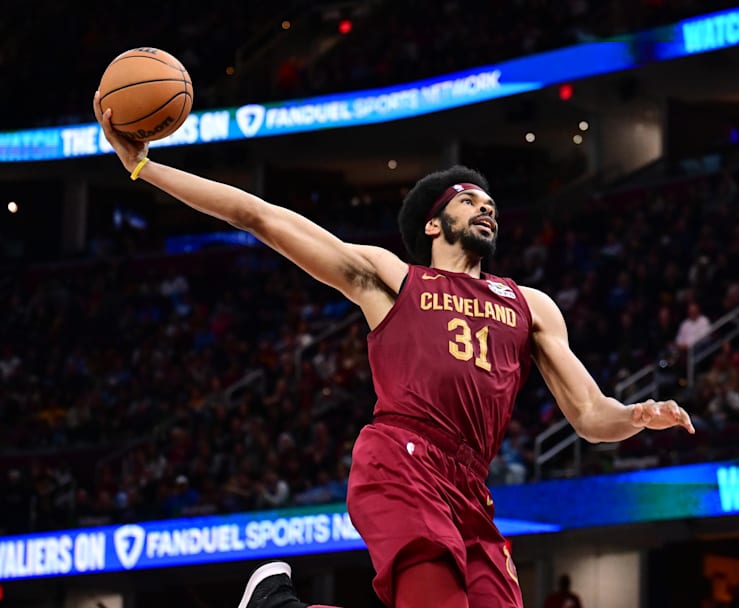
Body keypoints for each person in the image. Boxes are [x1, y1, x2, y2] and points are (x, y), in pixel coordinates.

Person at [93, 94, 695, 608]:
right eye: (467, 200)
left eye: (489, 202)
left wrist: (636, 416)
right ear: (434, 225)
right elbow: (261, 217)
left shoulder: (531, 305)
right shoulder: (392, 278)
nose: (484, 206)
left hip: (471, 485)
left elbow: (590, 416)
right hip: (402, 457)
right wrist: (145, 167)